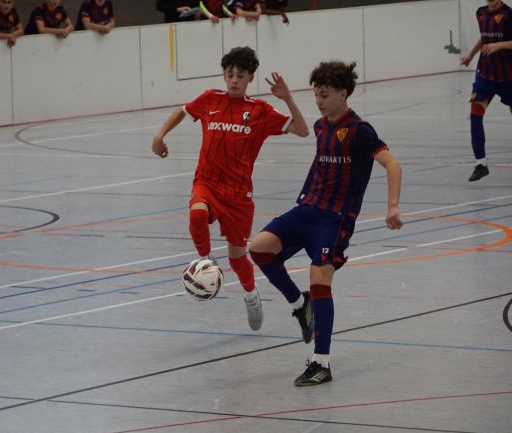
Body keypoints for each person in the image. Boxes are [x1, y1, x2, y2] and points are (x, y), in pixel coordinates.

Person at [249, 60, 403, 386]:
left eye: (325, 94)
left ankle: (321, 362)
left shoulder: (360, 130)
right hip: (307, 210)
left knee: (320, 277)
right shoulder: (321, 127)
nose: (319, 101)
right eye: (316, 94)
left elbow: (392, 165)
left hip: (334, 220)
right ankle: (299, 303)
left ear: (343, 93)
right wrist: (288, 99)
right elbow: (306, 134)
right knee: (259, 248)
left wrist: (392, 207)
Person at [152, 46, 309, 331]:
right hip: (207, 183)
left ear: (250, 78)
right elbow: (182, 111)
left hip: (238, 196)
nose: (234, 80)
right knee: (197, 214)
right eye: (229, 75)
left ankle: (250, 294)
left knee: (237, 258)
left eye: (240, 75)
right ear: (224, 76)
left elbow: (302, 130)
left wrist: (287, 98)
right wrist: (159, 136)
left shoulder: (260, 111)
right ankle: (206, 261)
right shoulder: (210, 99)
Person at [460, 0, 512, 181]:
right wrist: (471, 54)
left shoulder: (511, 15)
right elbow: (485, 38)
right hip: (485, 74)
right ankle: (481, 163)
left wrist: (499, 45)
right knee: (475, 113)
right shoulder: (480, 13)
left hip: (508, 77)